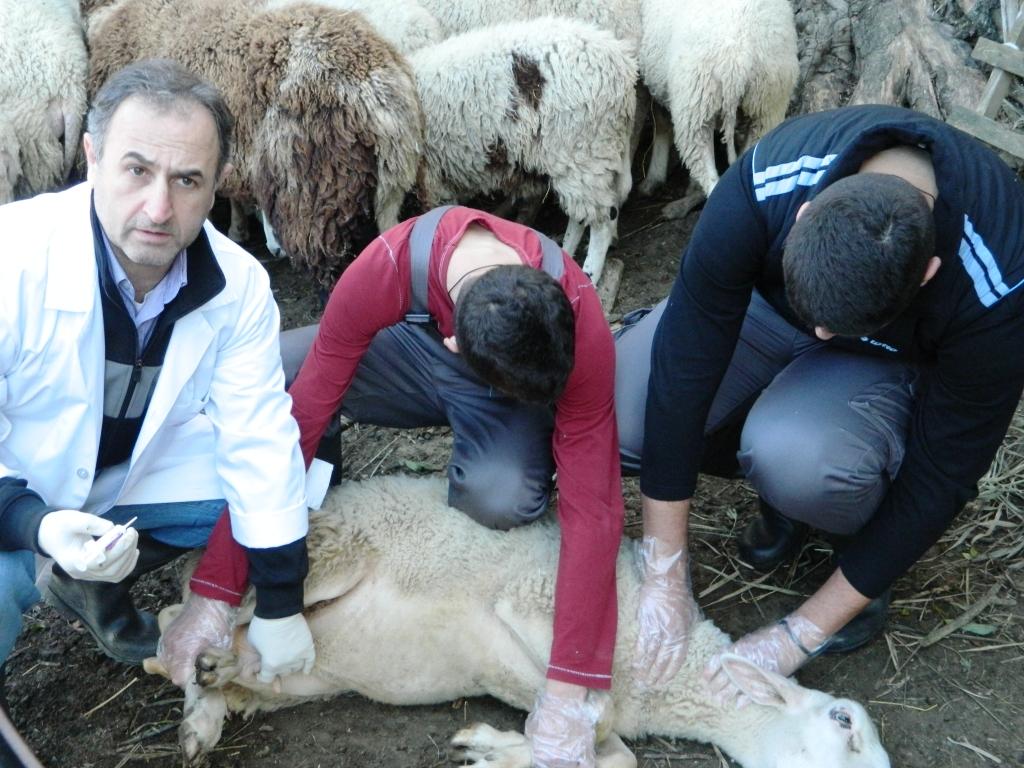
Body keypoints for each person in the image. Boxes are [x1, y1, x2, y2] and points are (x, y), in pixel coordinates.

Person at [164, 204, 625, 767]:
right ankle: (307, 509)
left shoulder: (576, 315)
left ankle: (507, 442)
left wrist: (569, 686)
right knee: (278, 376)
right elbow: (303, 417)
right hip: (412, 354)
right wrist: (215, 594)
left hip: (502, 384)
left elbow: (595, 507)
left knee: (502, 496)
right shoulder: (385, 267)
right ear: (456, 342)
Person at [615, 103, 1024, 696]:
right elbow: (685, 363)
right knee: (625, 414)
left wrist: (800, 634)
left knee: (805, 461)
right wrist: (664, 570)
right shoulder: (767, 180)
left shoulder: (999, 285)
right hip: (770, 307)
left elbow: (943, 474)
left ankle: (837, 525)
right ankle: (777, 480)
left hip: (886, 355)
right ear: (805, 215)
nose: (821, 334)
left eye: (832, 328)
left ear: (929, 273)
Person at [0, 59, 316, 692]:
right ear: (92, 158)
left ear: (218, 186)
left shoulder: (239, 285)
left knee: (295, 487)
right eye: (137, 170)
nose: (159, 207)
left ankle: (91, 579)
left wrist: (282, 602)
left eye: (187, 179)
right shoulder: (14, 258)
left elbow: (257, 437)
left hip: (133, 473)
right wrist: (34, 522)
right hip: (15, 487)